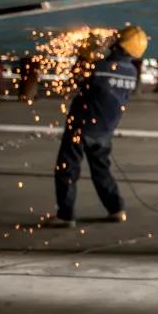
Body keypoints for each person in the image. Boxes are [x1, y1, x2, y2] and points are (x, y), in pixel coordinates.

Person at [46, 25, 147, 227]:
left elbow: (73, 82)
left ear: (120, 45)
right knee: (102, 171)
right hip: (105, 131)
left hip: (82, 126)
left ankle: (65, 215)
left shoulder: (101, 67)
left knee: (67, 170)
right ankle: (116, 209)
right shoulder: (131, 72)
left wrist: (84, 56)